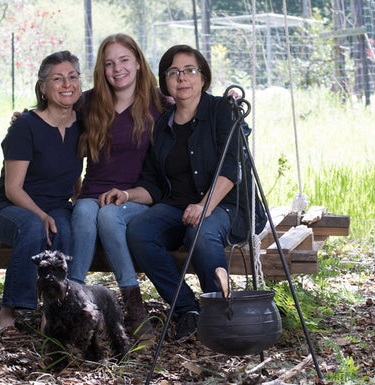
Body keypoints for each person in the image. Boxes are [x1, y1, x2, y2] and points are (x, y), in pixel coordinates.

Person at [100, 45, 267, 340]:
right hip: (178, 207)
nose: (182, 78)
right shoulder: (162, 125)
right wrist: (127, 195)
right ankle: (185, 309)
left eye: (190, 70)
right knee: (139, 231)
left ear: (203, 77)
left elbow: (232, 170)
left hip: (228, 205)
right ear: (165, 82)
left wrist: (204, 206)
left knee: (199, 233)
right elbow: (152, 185)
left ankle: (221, 312)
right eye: (174, 72)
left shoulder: (222, 111)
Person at [68, 34, 169, 336]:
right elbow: (57, 127)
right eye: (109, 63)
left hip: (138, 195)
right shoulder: (87, 102)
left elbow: (199, 107)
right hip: (93, 191)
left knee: (110, 215)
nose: (117, 68)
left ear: (138, 62)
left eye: (124, 60)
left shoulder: (160, 104)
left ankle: (134, 305)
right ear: (102, 69)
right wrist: (25, 117)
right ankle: (73, 302)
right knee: (84, 213)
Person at [0, 51, 84, 332]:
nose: (67, 84)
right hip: (11, 207)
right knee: (33, 228)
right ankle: (10, 308)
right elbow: (13, 188)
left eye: (72, 77)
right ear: (42, 87)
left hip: (57, 204)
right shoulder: (25, 127)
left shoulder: (82, 122)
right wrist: (41, 215)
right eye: (57, 78)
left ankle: (52, 312)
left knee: (64, 230)